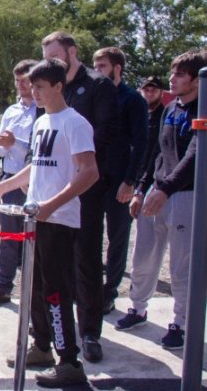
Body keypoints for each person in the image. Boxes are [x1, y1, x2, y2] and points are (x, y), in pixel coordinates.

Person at [0, 58, 98, 387]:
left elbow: (89, 172)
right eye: (31, 87)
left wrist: (51, 205)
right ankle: (41, 346)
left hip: (59, 220)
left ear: (59, 87)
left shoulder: (74, 123)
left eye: (40, 87)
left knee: (55, 291)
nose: (34, 93)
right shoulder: (41, 123)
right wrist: (3, 186)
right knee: (34, 287)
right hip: (35, 217)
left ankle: (69, 362)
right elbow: (36, 166)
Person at [115, 50, 205, 350]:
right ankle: (137, 308)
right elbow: (155, 152)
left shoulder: (202, 110)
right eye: (172, 72)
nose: (172, 78)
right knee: (143, 258)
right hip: (158, 191)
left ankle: (181, 324)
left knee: (182, 267)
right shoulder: (171, 108)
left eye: (179, 74)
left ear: (197, 79)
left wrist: (165, 189)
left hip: (186, 196)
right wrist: (143, 188)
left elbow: (193, 157)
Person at [41, 32, 118, 363]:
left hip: (85, 190)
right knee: (55, 267)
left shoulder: (98, 85)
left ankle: (89, 332)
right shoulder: (55, 88)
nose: (54, 62)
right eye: (48, 57)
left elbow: (104, 135)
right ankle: (53, 334)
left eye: (58, 55)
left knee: (86, 262)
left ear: (73, 52)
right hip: (53, 194)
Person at [92, 47, 148, 315]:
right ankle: (90, 288)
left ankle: (109, 291)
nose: (97, 70)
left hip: (119, 182)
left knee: (117, 238)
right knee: (89, 235)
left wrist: (130, 182)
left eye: (102, 66)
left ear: (117, 68)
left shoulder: (132, 100)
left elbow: (141, 145)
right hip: (93, 179)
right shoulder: (94, 96)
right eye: (95, 65)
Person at [0, 59, 38, 308]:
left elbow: (41, 151)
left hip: (35, 183)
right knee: (8, 238)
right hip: (10, 179)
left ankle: (36, 293)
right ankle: (3, 287)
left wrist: (15, 143)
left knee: (35, 241)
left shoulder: (43, 110)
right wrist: (2, 147)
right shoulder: (11, 111)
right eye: (17, 80)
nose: (21, 85)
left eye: (25, 80)